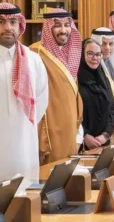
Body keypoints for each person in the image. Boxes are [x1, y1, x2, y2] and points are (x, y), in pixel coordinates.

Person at [0, 2, 49, 184]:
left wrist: (23, 126)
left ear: (20, 27)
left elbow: (42, 99)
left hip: (25, 146)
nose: (8, 27)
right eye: (1, 22)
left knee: (25, 194)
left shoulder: (34, 60)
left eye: (13, 22)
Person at [30, 9, 82, 165]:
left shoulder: (72, 54)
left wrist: (79, 133)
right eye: (57, 25)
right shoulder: (34, 53)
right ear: (48, 27)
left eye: (67, 25)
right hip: (48, 129)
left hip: (70, 127)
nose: (63, 30)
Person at [78, 39, 114, 151]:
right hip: (82, 144)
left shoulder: (103, 79)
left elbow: (113, 109)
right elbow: (72, 113)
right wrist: (84, 135)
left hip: (103, 144)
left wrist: (105, 135)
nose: (95, 58)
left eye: (98, 54)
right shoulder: (75, 80)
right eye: (90, 53)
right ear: (82, 55)